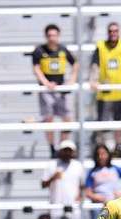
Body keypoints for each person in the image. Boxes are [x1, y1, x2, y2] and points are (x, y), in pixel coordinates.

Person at [90, 22, 121, 157]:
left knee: (119, 122)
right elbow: (95, 65)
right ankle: (102, 149)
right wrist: (93, 80)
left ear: (119, 32)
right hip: (106, 92)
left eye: (115, 31)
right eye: (110, 31)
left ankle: (117, 146)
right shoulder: (101, 46)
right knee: (103, 122)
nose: (113, 33)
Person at [32, 24, 79, 158]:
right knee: (49, 119)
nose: (52, 38)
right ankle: (52, 147)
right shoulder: (39, 50)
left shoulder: (63, 49)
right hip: (47, 90)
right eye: (49, 35)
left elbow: (75, 63)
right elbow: (36, 69)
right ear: (46, 36)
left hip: (61, 89)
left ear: (58, 36)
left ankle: (63, 146)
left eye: (54, 35)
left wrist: (72, 80)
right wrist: (46, 83)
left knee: (67, 118)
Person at [41, 139, 84, 219]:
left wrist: (81, 196)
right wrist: (53, 178)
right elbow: (43, 184)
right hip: (56, 207)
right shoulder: (52, 165)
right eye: (65, 150)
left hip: (73, 207)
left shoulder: (78, 165)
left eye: (69, 150)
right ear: (60, 151)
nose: (67, 153)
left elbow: (83, 185)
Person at [84, 144, 121, 219]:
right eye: (98, 154)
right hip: (99, 206)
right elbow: (88, 192)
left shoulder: (115, 169)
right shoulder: (92, 172)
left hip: (114, 204)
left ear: (108, 154)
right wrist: (96, 197)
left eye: (103, 154)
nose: (101, 157)